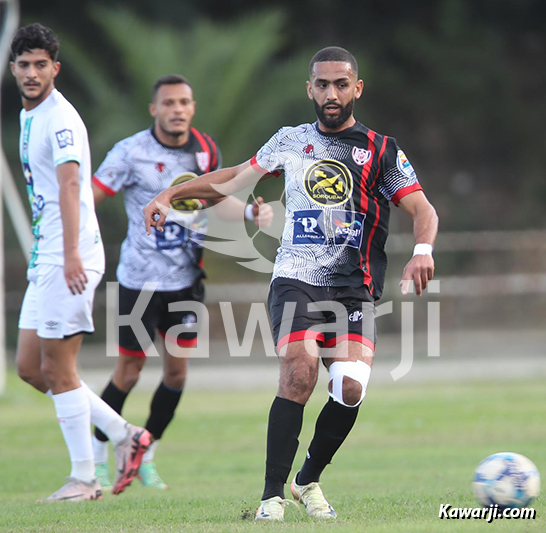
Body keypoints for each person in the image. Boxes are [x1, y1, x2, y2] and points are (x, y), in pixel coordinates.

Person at [143, 46, 438, 520]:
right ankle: (271, 497)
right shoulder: (289, 140)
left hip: (353, 286)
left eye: (341, 84)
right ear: (310, 89)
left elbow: (423, 209)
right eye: (322, 84)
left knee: (351, 387)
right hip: (296, 277)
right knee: (299, 369)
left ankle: (307, 480)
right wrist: (171, 193)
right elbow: (234, 179)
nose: (331, 93)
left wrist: (422, 250)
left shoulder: (382, 150)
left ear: (357, 88)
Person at [91, 74, 274, 490]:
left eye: (185, 102)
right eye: (169, 103)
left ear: (193, 108)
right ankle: (98, 455)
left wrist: (249, 214)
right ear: (154, 109)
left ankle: (145, 453)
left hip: (186, 280)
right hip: (138, 280)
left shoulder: (205, 150)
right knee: (129, 371)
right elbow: (91, 195)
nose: (177, 109)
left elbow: (215, 201)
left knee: (176, 374)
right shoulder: (130, 152)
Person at [10, 23, 151, 502]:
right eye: (24, 65)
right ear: (13, 69)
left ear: (55, 68)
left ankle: (84, 478)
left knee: (58, 367)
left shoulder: (61, 119)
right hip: (47, 253)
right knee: (30, 366)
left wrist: (70, 254)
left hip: (68, 254)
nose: (32, 73)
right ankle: (127, 434)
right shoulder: (30, 113)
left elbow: (72, 187)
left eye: (40, 65)